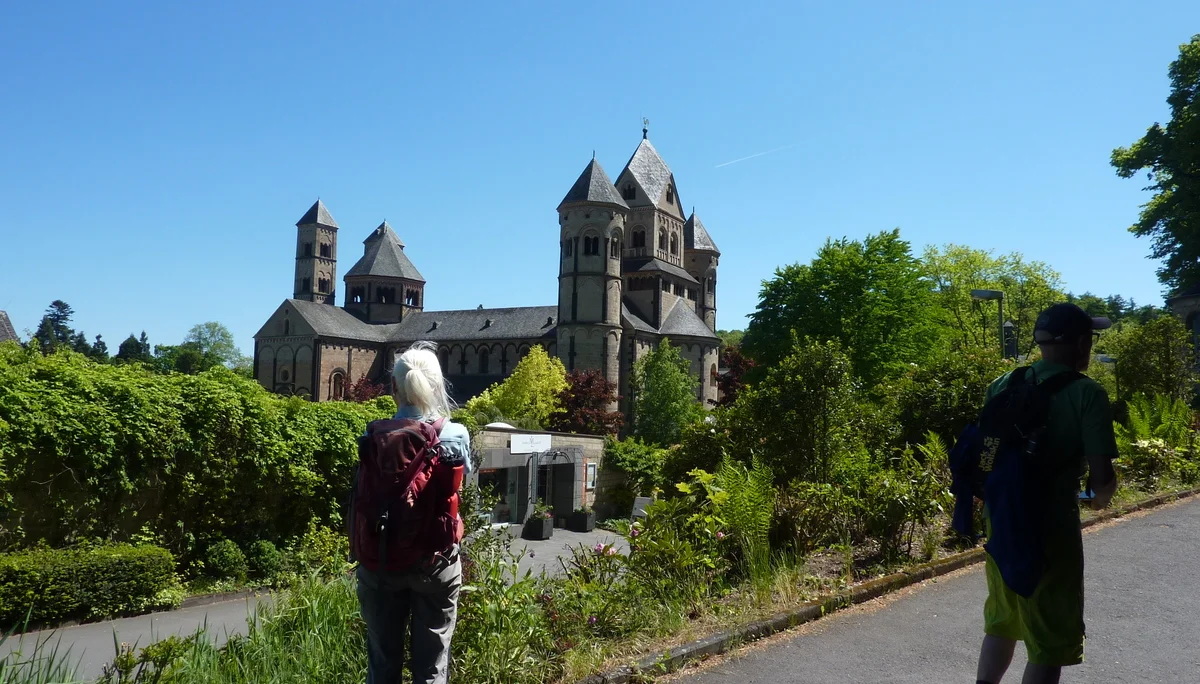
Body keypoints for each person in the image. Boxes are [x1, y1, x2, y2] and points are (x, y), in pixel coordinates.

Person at [975, 303, 1119, 684]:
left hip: (1001, 518)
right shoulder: (1087, 393)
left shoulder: (1003, 384)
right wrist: (1097, 499)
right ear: (1082, 343)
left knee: (1002, 621)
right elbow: (1102, 477)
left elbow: (983, 455)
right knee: (1050, 637)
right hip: (1050, 526)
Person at [355, 341, 473, 684]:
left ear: (394, 386)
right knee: (432, 667)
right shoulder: (454, 433)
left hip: (378, 562)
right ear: (437, 386)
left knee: (382, 664)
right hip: (435, 565)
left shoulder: (373, 434)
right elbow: (469, 496)